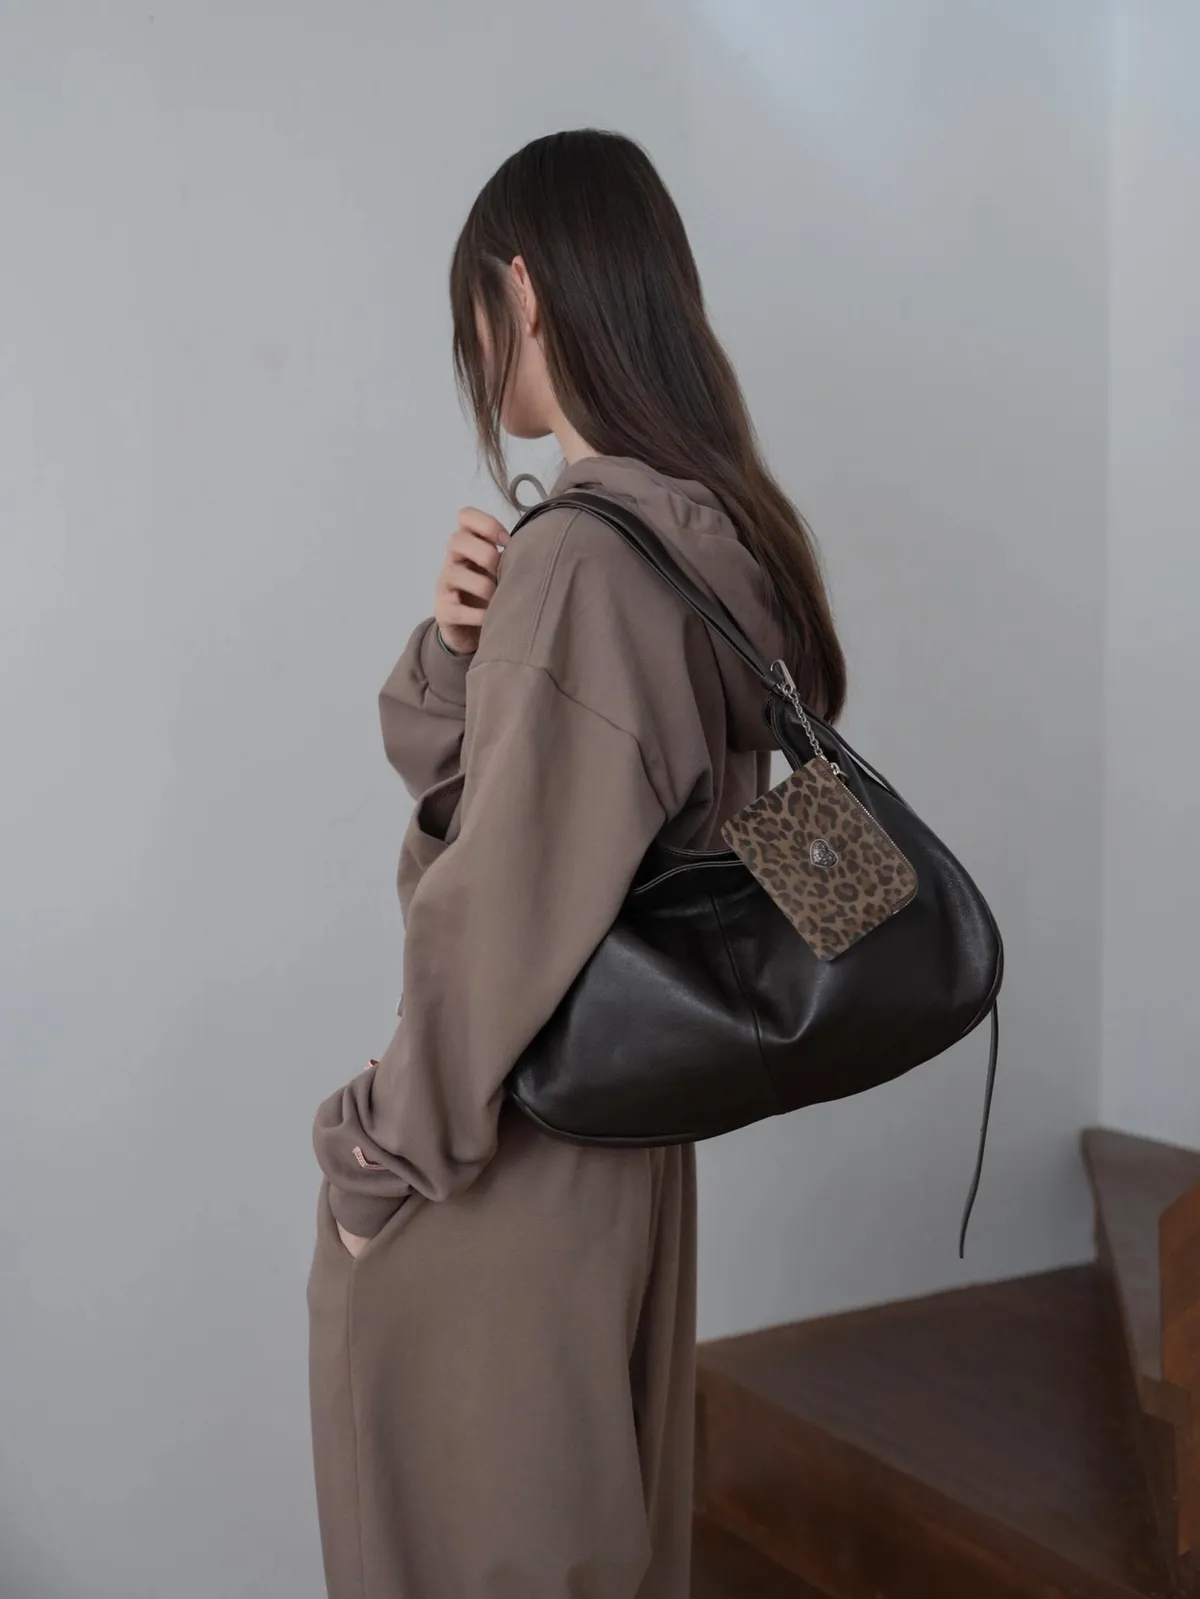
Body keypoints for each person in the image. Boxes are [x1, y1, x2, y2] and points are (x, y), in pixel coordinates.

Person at [307, 128, 846, 1599]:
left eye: (475, 311)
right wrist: (459, 652)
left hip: (505, 1160)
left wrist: (376, 1158)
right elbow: (562, 821)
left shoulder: (585, 560)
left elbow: (501, 909)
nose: (476, 354)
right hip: (627, 1149)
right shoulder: (703, 548)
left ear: (525, 289)